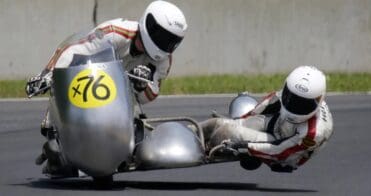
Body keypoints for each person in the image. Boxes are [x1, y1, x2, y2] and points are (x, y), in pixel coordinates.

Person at [25, 0, 187, 176]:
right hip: (92, 82)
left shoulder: (164, 60)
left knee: (139, 140)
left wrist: (142, 84)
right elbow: (72, 51)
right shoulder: (114, 32)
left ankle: (124, 148)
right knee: (55, 142)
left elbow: (151, 94)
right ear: (150, 25)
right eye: (163, 37)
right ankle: (56, 136)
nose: (166, 44)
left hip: (121, 99)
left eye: (171, 41)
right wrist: (47, 74)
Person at [202, 66, 333, 173]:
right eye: (291, 98)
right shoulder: (290, 89)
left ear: (319, 100)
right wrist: (240, 119)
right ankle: (188, 133)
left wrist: (245, 146)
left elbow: (281, 150)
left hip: (286, 152)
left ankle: (204, 151)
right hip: (277, 123)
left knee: (226, 132)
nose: (294, 106)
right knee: (216, 124)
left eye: (303, 104)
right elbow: (268, 104)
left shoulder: (314, 132)